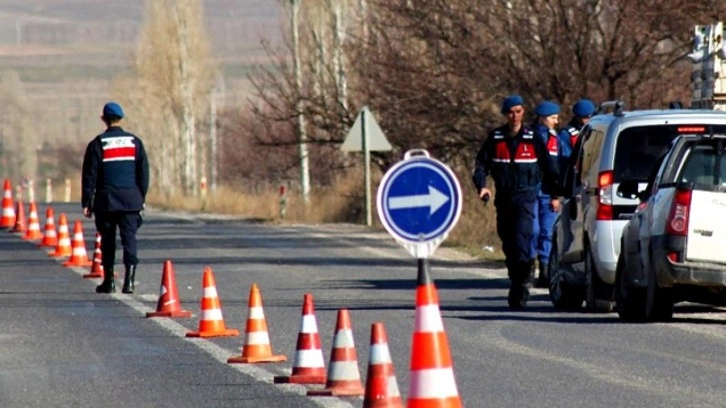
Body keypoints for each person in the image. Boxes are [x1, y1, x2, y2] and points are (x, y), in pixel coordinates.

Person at [472, 95, 562, 308]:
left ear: (523, 113)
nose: (515, 116)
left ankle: (521, 284)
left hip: (525, 197)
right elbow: (481, 165)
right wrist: (482, 186)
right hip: (503, 198)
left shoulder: (533, 138)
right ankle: (518, 276)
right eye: (511, 112)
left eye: (518, 111)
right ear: (505, 114)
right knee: (508, 241)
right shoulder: (496, 138)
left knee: (523, 238)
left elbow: (550, 169)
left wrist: (555, 194)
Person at [81, 102, 149, 294]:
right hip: (130, 201)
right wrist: (140, 197)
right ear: (121, 118)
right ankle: (129, 282)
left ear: (104, 119)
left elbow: (90, 175)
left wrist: (87, 201)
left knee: (107, 241)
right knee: (130, 240)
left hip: (106, 202)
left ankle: (109, 282)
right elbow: (143, 173)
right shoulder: (135, 142)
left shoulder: (97, 143)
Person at [530, 101, 560, 288]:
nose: (556, 121)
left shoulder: (555, 139)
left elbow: (557, 168)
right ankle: (529, 268)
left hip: (549, 192)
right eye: (553, 118)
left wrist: (557, 194)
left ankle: (546, 271)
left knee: (547, 232)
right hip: (531, 190)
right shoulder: (529, 136)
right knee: (532, 231)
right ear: (542, 117)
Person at [557, 99, 595, 180]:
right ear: (577, 117)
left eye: (588, 117)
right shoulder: (566, 134)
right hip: (575, 176)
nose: (585, 121)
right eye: (583, 118)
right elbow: (565, 159)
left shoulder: (597, 128)